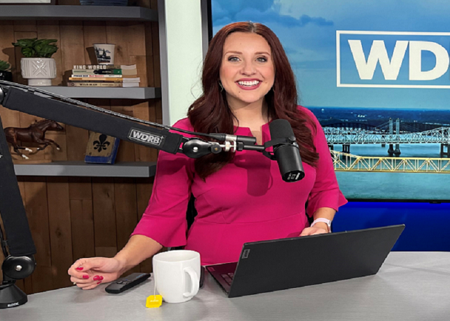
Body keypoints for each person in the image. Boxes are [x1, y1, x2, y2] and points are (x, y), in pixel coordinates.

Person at [68, 22, 347, 289]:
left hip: (294, 269)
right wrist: (121, 262)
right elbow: (162, 216)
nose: (249, 70)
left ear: (277, 69)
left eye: (261, 59)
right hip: (215, 277)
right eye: (234, 59)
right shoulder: (188, 133)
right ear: (217, 70)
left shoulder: (303, 123)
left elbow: (325, 188)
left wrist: (322, 223)